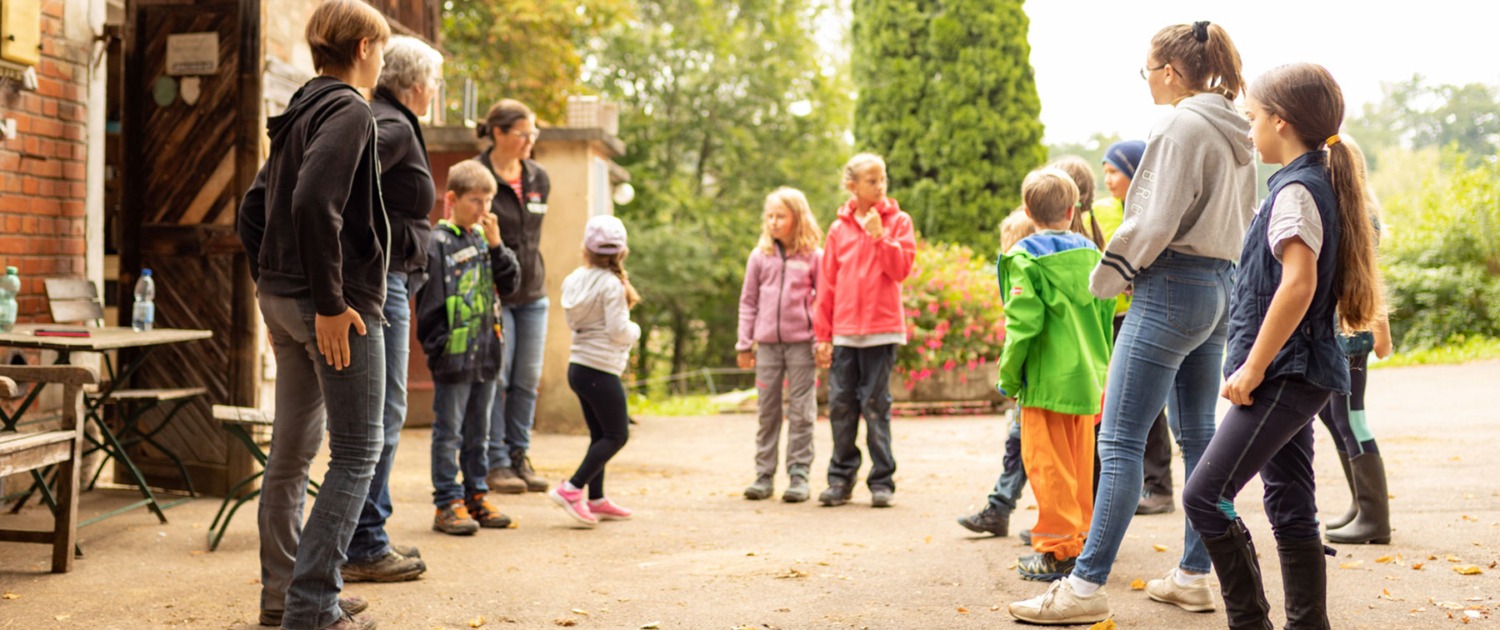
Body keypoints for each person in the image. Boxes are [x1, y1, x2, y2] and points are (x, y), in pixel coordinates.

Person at [1010, 20, 1255, 624]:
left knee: (1117, 441)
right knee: (1199, 438)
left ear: (1170, 73)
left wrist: (1106, 277)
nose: (1147, 81)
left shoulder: (1177, 123)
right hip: (1219, 286)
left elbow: (1150, 217)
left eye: (1147, 70)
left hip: (1169, 285)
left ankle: (1083, 588)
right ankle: (1196, 575)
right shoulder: (1237, 129)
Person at [1183, 62, 1382, 630]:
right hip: (1303, 373)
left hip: (1286, 375)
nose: (1249, 131)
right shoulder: (1310, 182)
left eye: (1252, 120)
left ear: (1281, 121)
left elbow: (1298, 284)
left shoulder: (1296, 190)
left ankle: (1250, 622)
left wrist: (1251, 368)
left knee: (1204, 497)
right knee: (1290, 503)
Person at [235, 2, 390, 628]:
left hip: (283, 299)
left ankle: (284, 600)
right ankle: (312, 606)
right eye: (379, 46)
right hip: (332, 309)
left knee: (293, 451)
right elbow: (311, 201)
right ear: (361, 47)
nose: (381, 59)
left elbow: (254, 208)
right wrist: (327, 303)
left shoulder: (301, 107)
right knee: (358, 451)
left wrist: (272, 279)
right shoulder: (350, 108)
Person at [341, 34, 442, 585]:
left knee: (380, 415)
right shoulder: (393, 124)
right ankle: (364, 541)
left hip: (391, 277)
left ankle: (366, 533)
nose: (438, 91)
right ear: (419, 85)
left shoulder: (391, 119)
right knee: (382, 415)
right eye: (437, 82)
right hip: (384, 281)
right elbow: (341, 186)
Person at [997, 168, 1116, 581]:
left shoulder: (1023, 258)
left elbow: (1022, 326)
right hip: (1087, 379)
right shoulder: (1092, 254)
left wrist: (1009, 377)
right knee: (1081, 466)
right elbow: (1104, 319)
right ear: (1072, 210)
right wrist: (1103, 374)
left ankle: (1056, 551)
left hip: (1045, 383)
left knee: (1047, 467)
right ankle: (1079, 542)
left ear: (1028, 211)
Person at [415, 160, 521, 536]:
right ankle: (447, 501)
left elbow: (511, 285)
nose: (484, 210)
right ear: (453, 199)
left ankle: (476, 493)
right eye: (476, 201)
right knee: (449, 433)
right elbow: (427, 304)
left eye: (488, 201)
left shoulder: (484, 240)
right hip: (453, 358)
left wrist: (497, 246)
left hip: (487, 355)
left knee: (480, 433)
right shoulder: (436, 242)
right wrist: (439, 348)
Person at [814, 153, 916, 508]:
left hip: (882, 332)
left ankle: (882, 481)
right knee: (841, 406)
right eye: (871, 181)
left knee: (875, 404)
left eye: (883, 179)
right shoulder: (837, 229)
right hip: (843, 334)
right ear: (852, 185)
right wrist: (823, 336)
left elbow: (901, 269)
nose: (880, 186)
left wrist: (879, 237)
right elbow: (826, 285)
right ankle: (840, 480)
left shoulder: (899, 222)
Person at [1317, 136, 1396, 547]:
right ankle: (1360, 506)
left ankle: (1374, 519)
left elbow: (1366, 280)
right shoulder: (1355, 210)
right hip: (1343, 331)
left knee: (1352, 419)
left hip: (1349, 334)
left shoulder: (1357, 215)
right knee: (1335, 418)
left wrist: (1379, 333)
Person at [476, 100, 553, 495]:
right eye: (524, 133)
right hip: (494, 293)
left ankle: (520, 455)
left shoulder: (539, 176)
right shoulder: (479, 174)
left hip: (534, 293)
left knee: (526, 380)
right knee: (498, 377)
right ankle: (497, 462)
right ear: (500, 133)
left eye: (533, 134)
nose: (530, 141)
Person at [1097, 140, 1177, 516]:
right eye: (1106, 172)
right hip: (1109, 319)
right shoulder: (1100, 211)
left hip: (1142, 315)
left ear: (1136, 173)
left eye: (1115, 171)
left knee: (1151, 403)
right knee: (1118, 403)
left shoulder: (1153, 212)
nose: (1109, 179)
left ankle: (1159, 486)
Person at [549, 215, 642, 527]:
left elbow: (576, 323)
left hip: (579, 367)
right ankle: (572, 487)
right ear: (621, 251)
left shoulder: (574, 279)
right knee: (617, 435)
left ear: (585, 249)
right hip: (601, 370)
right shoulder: (612, 285)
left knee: (600, 434)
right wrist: (636, 330)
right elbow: (618, 331)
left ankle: (597, 498)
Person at [737, 187, 823, 503]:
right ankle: (763, 475)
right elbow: (748, 302)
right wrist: (744, 343)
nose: (774, 222)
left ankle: (799, 475)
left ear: (797, 218)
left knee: (802, 411)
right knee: (767, 410)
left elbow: (823, 301)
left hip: (802, 345)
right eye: (770, 216)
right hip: (768, 347)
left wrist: (822, 340)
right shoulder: (760, 257)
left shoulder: (815, 256)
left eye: (781, 217)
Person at [956, 208, 1036, 537]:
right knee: (1020, 447)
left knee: (1027, 449)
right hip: (1033, 383)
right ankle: (1000, 507)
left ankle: (1050, 521)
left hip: (1034, 383)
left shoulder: (1023, 274)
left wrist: (1009, 378)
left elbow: (1021, 334)